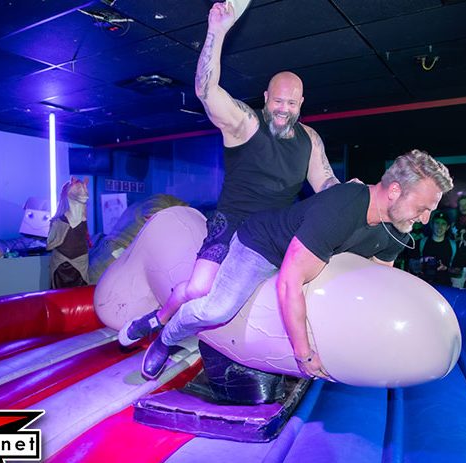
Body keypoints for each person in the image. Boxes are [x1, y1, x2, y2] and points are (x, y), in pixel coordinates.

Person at [118, 1, 342, 347]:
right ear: (266, 98)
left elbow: (325, 183)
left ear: (301, 103)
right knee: (199, 289)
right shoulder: (246, 123)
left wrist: (350, 195)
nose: (283, 110)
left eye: (291, 103)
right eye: (278, 101)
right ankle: (159, 321)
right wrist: (217, 31)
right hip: (233, 220)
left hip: (272, 230)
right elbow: (206, 92)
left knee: (272, 294)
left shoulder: (310, 139)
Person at [141, 150, 453, 379]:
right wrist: (304, 356)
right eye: (422, 208)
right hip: (262, 245)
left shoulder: (398, 229)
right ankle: (166, 338)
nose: (426, 219)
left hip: (306, 253)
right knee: (216, 310)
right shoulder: (342, 208)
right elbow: (289, 282)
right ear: (394, 190)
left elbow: (376, 279)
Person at [418, 211, 456, 286]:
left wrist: (446, 268)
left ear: (447, 227)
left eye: (443, 224)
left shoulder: (453, 245)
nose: (440, 226)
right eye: (437, 223)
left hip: (444, 286)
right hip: (425, 285)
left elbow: (458, 271)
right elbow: (412, 265)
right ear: (432, 225)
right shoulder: (422, 242)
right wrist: (422, 262)